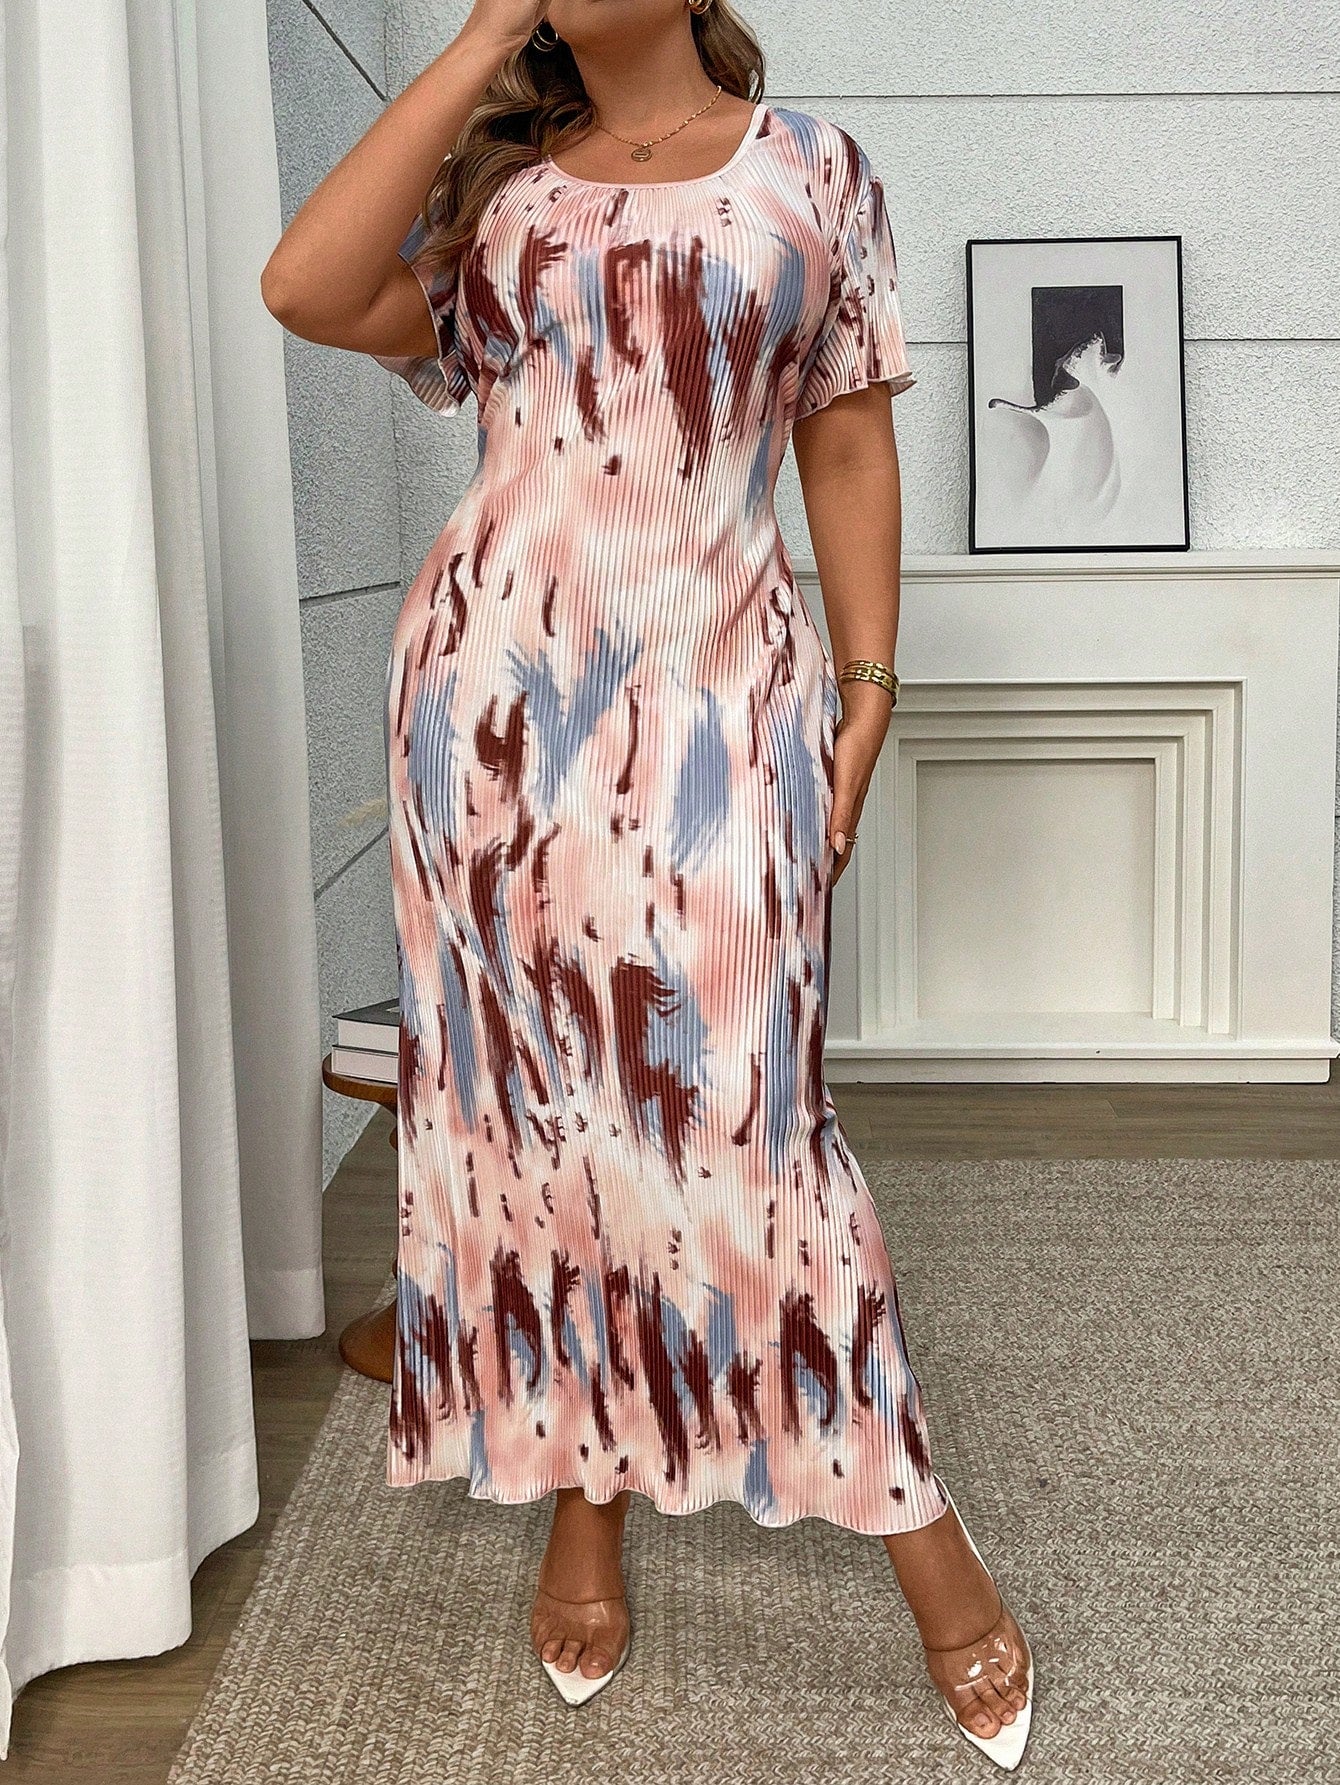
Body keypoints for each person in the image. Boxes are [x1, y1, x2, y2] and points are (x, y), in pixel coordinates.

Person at [261, 0, 1035, 1765]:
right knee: (536, 1117)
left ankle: (923, 1535)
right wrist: (480, 44)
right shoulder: (505, 195)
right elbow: (306, 287)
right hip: (494, 722)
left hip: (721, 711)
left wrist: (869, 683)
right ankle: (584, 1496)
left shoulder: (811, 175)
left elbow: (847, 437)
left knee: (752, 1126)